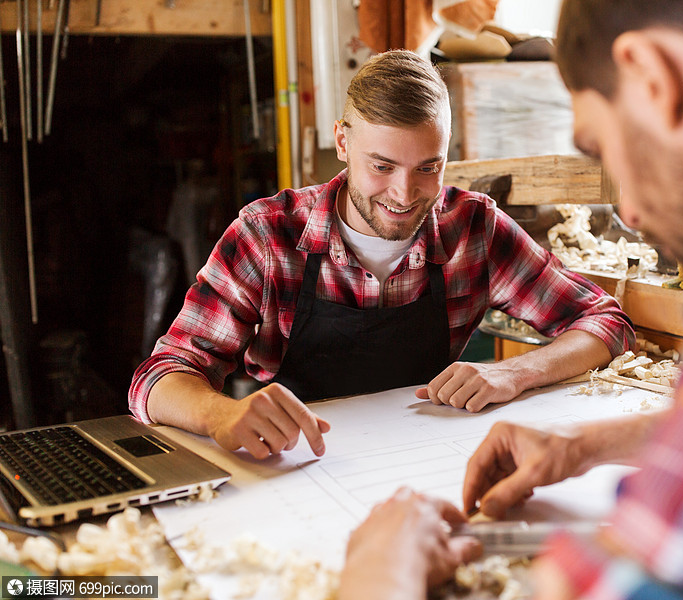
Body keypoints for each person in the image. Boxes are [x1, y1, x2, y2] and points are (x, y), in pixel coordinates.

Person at [337, 1, 683, 598]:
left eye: (601, 147)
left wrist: (381, 568)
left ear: (652, 77)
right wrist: (587, 446)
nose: (629, 210)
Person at [128, 49, 634, 460]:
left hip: (427, 456)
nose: (404, 193)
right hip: (297, 461)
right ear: (343, 142)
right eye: (383, 165)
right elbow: (157, 379)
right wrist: (222, 416)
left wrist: (515, 372)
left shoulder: (473, 228)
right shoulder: (268, 234)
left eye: (427, 168)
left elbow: (605, 322)